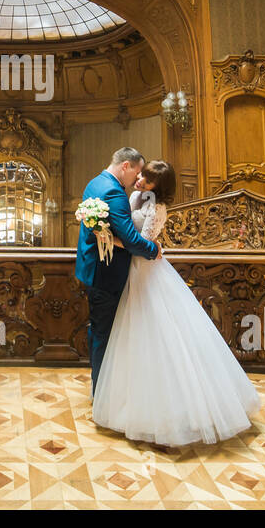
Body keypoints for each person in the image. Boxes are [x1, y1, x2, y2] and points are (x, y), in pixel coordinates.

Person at [92, 159, 262, 448]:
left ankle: (172, 409)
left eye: (149, 181)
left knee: (159, 334)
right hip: (129, 272)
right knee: (130, 337)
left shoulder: (157, 209)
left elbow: (142, 244)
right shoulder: (132, 196)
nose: (141, 181)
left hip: (147, 271)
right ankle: (129, 402)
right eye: (142, 175)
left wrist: (106, 235)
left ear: (160, 188)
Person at [74, 147, 160, 398]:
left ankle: (101, 387)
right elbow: (131, 239)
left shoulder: (95, 182)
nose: (138, 178)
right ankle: (101, 393)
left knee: (99, 331)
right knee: (104, 334)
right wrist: (154, 250)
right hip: (107, 273)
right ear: (126, 166)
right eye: (137, 172)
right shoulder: (114, 192)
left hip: (92, 267)